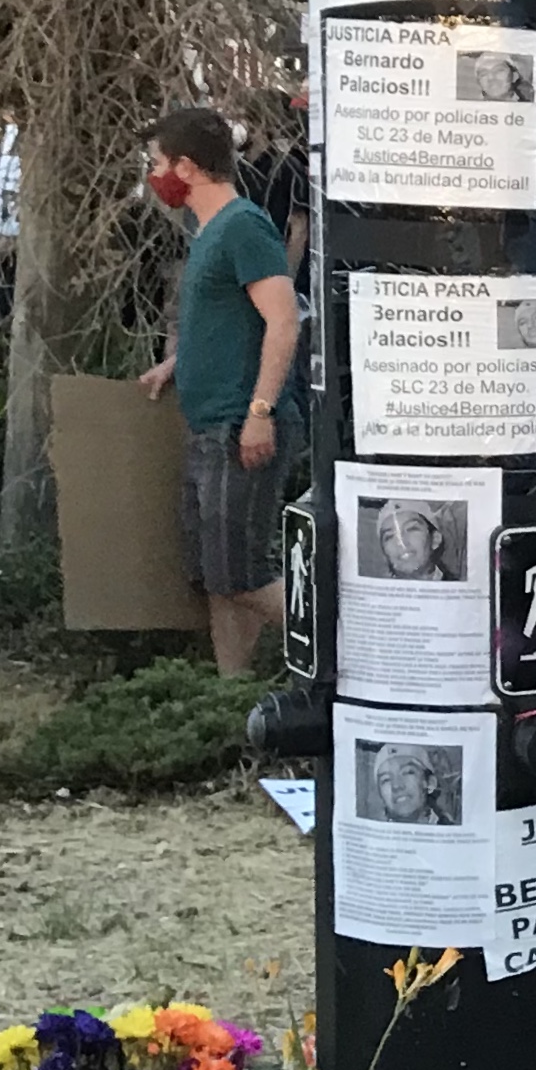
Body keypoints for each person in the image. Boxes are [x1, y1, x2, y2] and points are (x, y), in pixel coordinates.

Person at [131, 107, 299, 677]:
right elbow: (235, 319)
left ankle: (346, 645)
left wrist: (260, 411)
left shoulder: (244, 226)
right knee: (217, 576)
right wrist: (178, 363)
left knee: (242, 574)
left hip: (237, 422)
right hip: (211, 421)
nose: (154, 177)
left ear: (187, 166)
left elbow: (282, 320)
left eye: (157, 164)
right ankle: (234, 691)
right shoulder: (208, 231)